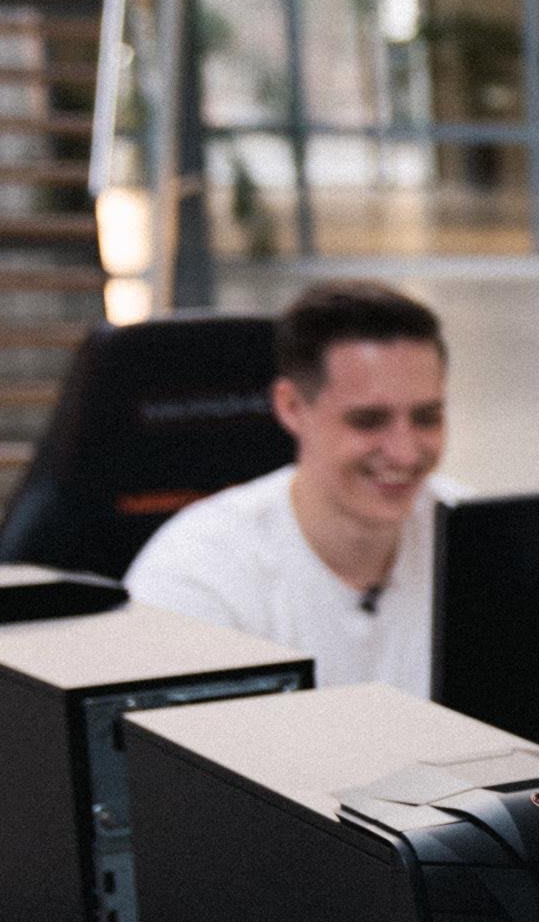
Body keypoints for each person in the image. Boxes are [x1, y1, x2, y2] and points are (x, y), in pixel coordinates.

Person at [125, 280, 467, 694]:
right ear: (291, 407)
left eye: (427, 418)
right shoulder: (196, 574)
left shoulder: (479, 538)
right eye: (368, 421)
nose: (404, 453)